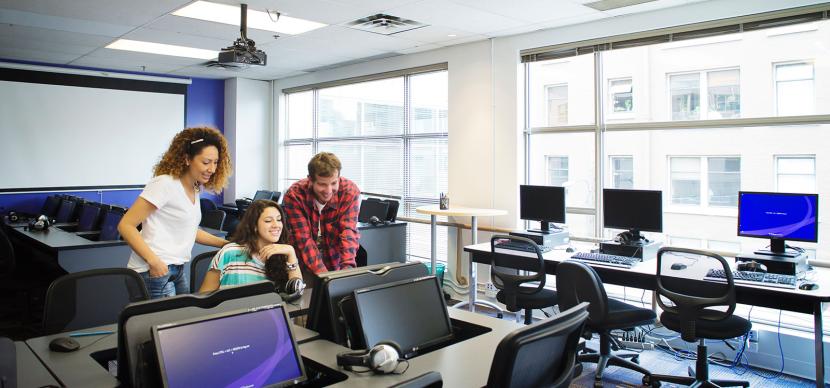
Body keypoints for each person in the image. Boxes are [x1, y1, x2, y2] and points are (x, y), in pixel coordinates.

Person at [118, 126, 232, 298]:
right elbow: (126, 225)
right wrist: (154, 261)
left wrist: (226, 244)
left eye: (215, 162)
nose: (212, 169)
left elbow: (190, 231)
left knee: (181, 320)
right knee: (164, 323)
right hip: (152, 270)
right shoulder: (165, 183)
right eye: (206, 162)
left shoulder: (194, 188)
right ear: (187, 159)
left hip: (176, 269)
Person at [198, 200, 302, 292]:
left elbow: (296, 294)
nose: (276, 225)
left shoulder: (283, 254)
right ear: (254, 226)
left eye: (279, 220)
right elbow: (204, 298)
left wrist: (291, 253)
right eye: (268, 221)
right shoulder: (230, 253)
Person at [282, 152, 360, 274]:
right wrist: (325, 278)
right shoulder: (295, 195)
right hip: (303, 263)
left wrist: (347, 270)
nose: (328, 191)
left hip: (335, 260)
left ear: (339, 177)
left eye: (334, 183)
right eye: (322, 184)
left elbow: (348, 232)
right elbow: (304, 240)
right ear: (310, 180)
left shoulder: (349, 191)